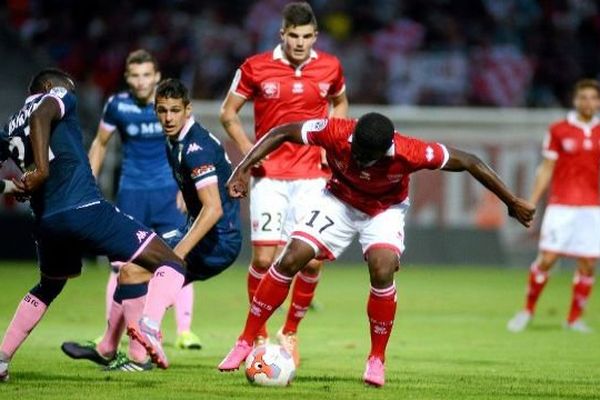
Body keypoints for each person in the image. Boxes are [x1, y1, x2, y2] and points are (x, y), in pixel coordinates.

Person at [217, 113, 535, 387]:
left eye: (368, 157)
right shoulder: (336, 131)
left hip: (385, 209)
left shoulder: (411, 151)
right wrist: (244, 167)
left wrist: (512, 201)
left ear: (386, 150)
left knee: (383, 268)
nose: (359, 160)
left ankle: (376, 359)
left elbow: (469, 161)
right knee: (291, 257)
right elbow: (282, 131)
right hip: (338, 201)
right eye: (357, 152)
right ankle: (246, 339)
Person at [0, 69, 189, 381]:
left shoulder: (9, 128)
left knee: (50, 284)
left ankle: (3, 359)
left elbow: (12, 169)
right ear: (48, 86)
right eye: (68, 87)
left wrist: (20, 183)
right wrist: (42, 171)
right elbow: (44, 114)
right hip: (84, 208)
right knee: (172, 262)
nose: (71, 92)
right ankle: (150, 327)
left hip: (46, 222)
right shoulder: (55, 97)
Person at [219, 1, 348, 365]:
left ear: (315, 36)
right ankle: (257, 333)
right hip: (269, 178)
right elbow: (228, 113)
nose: (300, 43)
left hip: (312, 179)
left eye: (307, 37)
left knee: (311, 263)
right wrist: (250, 151)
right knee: (263, 257)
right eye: (294, 36)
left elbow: (340, 102)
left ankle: (289, 332)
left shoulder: (330, 67)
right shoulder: (256, 67)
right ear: (282, 34)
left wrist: (331, 143)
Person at [87, 49, 201, 349]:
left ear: (157, 77)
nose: (141, 82)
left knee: (176, 260)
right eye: (135, 76)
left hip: (169, 195)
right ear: (127, 78)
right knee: (120, 265)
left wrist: (187, 189)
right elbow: (100, 144)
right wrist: (87, 183)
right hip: (132, 195)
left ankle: (185, 331)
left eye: (146, 75)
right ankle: (111, 333)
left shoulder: (168, 106)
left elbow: (191, 146)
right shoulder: (117, 106)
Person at [507, 79, 600, 333]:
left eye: (593, 97)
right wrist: (532, 202)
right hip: (562, 206)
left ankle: (574, 319)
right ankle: (527, 311)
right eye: (584, 97)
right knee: (547, 259)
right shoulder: (559, 129)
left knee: (588, 264)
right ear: (575, 100)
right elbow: (546, 169)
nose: (589, 102)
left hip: (593, 208)